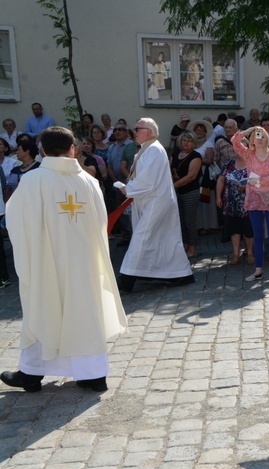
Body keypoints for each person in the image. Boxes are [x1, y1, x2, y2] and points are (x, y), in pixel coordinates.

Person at [1, 126, 127, 393]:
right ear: (73, 149)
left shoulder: (33, 181)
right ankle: (93, 375)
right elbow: (101, 225)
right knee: (84, 313)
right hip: (83, 263)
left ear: (43, 151)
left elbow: (15, 220)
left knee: (43, 309)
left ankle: (32, 374)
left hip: (46, 262)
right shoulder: (89, 182)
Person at [117, 118, 195, 293]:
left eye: (138, 128)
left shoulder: (154, 150)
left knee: (141, 236)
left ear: (149, 132)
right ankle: (179, 273)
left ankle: (127, 278)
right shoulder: (147, 149)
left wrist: (128, 189)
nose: (134, 131)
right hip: (151, 200)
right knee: (164, 238)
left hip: (156, 201)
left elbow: (148, 179)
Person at [232, 126, 269, 281]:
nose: (259, 139)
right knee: (258, 235)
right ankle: (258, 270)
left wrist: (259, 180)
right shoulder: (248, 155)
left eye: (262, 136)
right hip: (254, 199)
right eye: (257, 136)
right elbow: (235, 141)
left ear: (267, 138)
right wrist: (249, 130)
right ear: (252, 140)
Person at [171, 131, 203, 258]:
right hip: (177, 192)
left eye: (189, 141)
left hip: (190, 192)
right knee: (180, 221)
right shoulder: (175, 154)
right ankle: (185, 244)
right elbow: (170, 169)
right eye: (184, 140)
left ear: (194, 143)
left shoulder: (196, 156)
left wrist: (174, 185)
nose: (186, 143)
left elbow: (191, 176)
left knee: (189, 220)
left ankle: (193, 247)